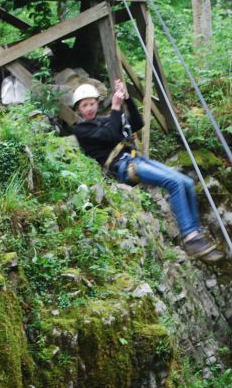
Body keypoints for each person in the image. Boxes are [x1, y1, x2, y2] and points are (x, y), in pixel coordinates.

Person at [72, 80, 223, 261]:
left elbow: (137, 123)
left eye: (92, 103)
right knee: (174, 183)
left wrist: (127, 100)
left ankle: (196, 234)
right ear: (78, 109)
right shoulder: (81, 130)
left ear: (97, 103)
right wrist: (115, 106)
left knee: (187, 182)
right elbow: (110, 135)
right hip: (124, 168)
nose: (89, 108)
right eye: (84, 105)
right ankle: (190, 237)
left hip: (136, 159)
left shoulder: (104, 120)